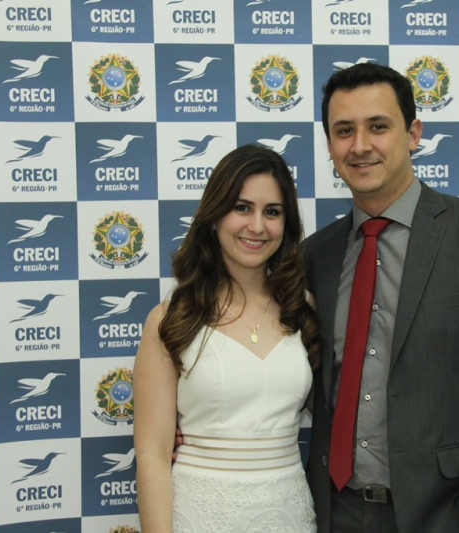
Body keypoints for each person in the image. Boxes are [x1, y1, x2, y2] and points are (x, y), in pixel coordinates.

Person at [302, 63, 459, 533]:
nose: (360, 145)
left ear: (413, 133)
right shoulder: (316, 255)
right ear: (330, 144)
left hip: (445, 515)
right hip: (335, 513)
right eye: (344, 131)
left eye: (378, 126)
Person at [133, 144, 320, 533]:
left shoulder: (303, 308)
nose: (257, 226)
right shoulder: (170, 319)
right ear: (214, 216)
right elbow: (152, 456)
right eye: (242, 208)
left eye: (272, 212)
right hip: (200, 516)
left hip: (289, 515)